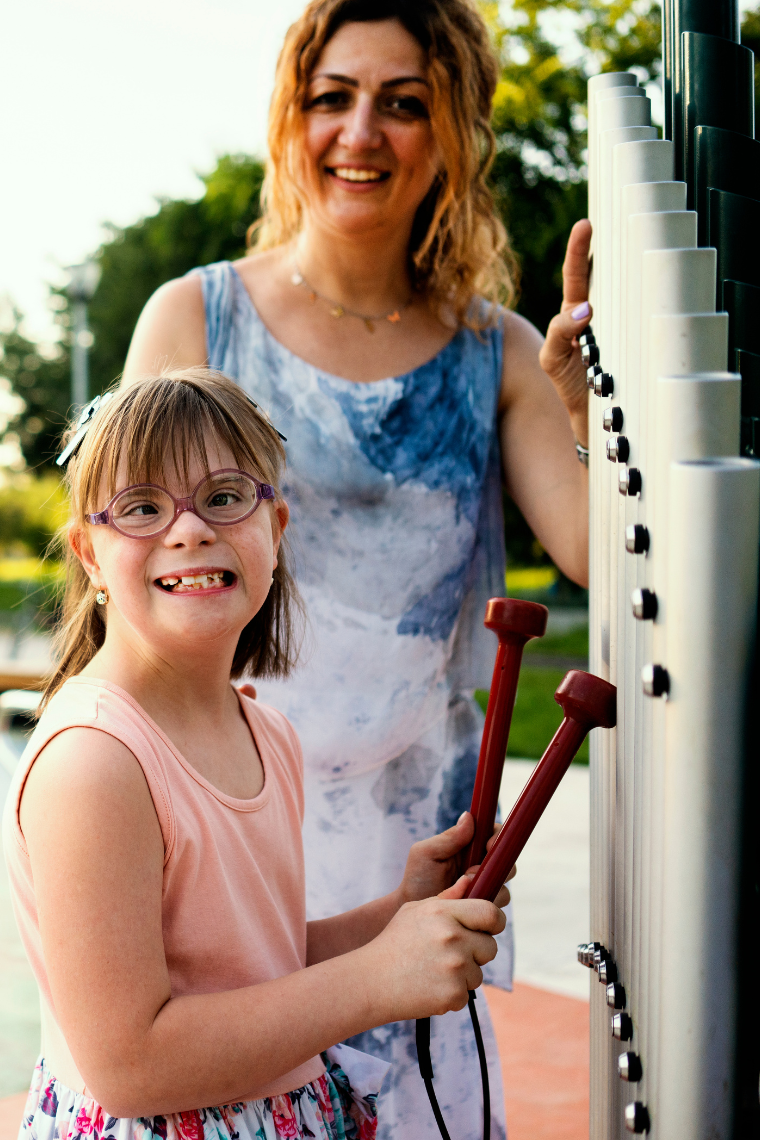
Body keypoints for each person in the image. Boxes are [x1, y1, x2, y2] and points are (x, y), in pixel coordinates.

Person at [122, 2, 591, 1137]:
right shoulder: (194, 319)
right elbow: (117, 589)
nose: (360, 132)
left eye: (403, 101)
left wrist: (594, 413)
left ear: (452, 133)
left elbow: (600, 555)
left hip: (418, 871)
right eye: (332, 96)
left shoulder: (504, 353)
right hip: (225, 849)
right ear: (293, 119)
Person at [3, 370, 513, 1140]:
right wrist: (377, 982)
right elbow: (130, 1064)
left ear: (274, 529)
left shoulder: (264, 732)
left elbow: (253, 968)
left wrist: (394, 918)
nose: (189, 530)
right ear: (90, 556)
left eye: (223, 497)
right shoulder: (95, 763)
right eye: (142, 508)